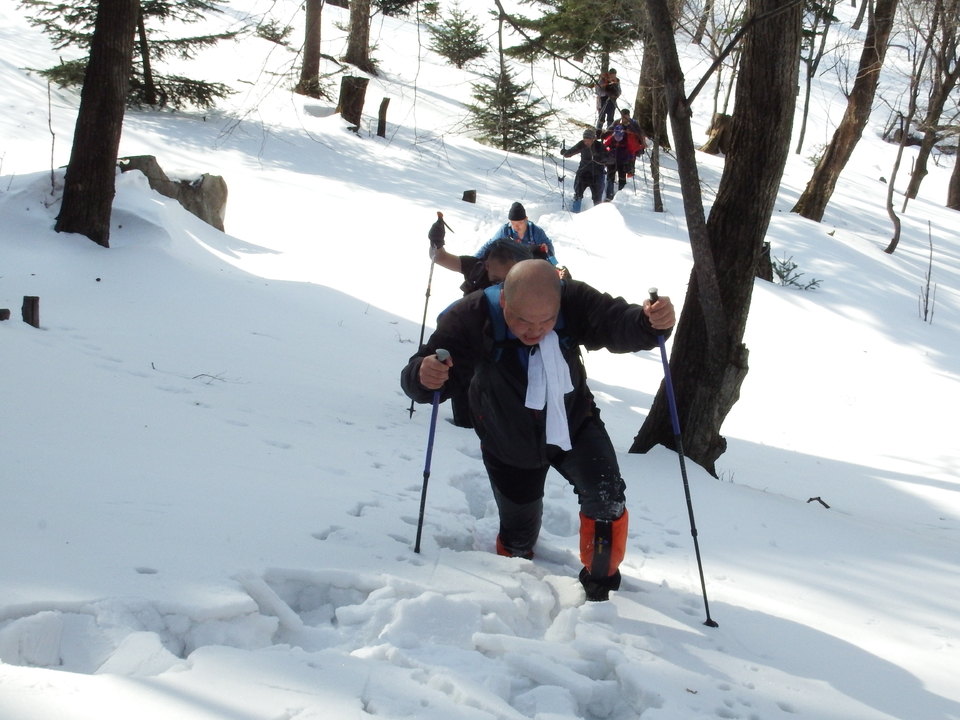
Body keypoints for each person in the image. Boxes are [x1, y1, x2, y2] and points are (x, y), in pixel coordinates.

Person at [400, 259, 676, 601]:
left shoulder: (572, 299)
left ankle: (601, 584)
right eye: (522, 321)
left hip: (574, 424)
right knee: (518, 539)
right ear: (504, 301)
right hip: (507, 440)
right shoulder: (471, 315)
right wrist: (424, 376)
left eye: (547, 321)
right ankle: (515, 565)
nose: (535, 331)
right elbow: (428, 376)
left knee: (606, 498)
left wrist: (651, 323)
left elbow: (618, 323)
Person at [473, 202, 559, 266]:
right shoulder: (505, 230)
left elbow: (550, 250)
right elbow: (490, 244)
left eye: (520, 223)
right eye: (513, 223)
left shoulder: (536, 231)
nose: (516, 226)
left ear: (526, 219)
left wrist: (547, 250)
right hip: (510, 265)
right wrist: (474, 259)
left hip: (531, 265)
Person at [562, 128, 612, 212]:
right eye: (585, 140)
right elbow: (571, 152)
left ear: (593, 139)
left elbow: (610, 159)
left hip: (597, 175)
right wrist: (565, 153)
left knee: (597, 198)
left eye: (588, 140)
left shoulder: (599, 146)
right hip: (583, 173)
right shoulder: (581, 144)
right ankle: (575, 213)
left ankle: (597, 214)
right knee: (578, 194)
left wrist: (602, 159)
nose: (586, 143)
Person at [602, 123, 643, 200]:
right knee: (610, 177)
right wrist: (605, 154)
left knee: (622, 178)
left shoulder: (627, 140)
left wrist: (631, 160)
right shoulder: (611, 138)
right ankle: (609, 195)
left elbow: (632, 151)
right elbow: (604, 146)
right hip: (612, 161)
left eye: (619, 135)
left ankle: (620, 195)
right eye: (616, 135)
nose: (618, 137)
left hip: (623, 161)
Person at [618, 108, 646, 176]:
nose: (624, 118)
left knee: (631, 161)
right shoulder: (618, 122)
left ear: (628, 115)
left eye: (626, 116)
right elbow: (612, 129)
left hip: (633, 146)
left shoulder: (634, 123)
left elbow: (640, 134)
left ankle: (631, 174)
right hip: (622, 146)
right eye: (622, 116)